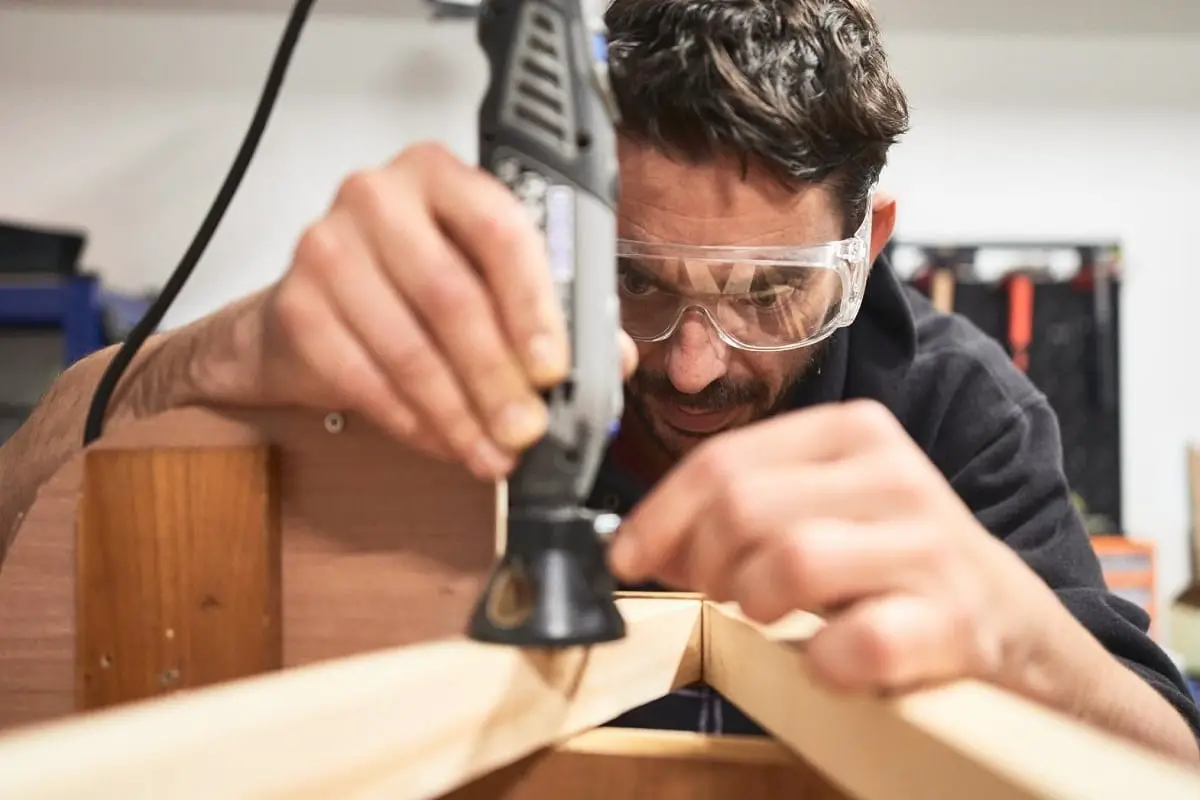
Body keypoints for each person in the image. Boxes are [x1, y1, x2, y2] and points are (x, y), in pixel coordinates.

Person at [1, 0, 1197, 760]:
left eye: (766, 292)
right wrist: (217, 354)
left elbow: (1173, 762)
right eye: (632, 281)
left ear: (867, 242)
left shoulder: (960, 412)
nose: (690, 361)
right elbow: (22, 498)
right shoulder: (455, 357)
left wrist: (1023, 639)